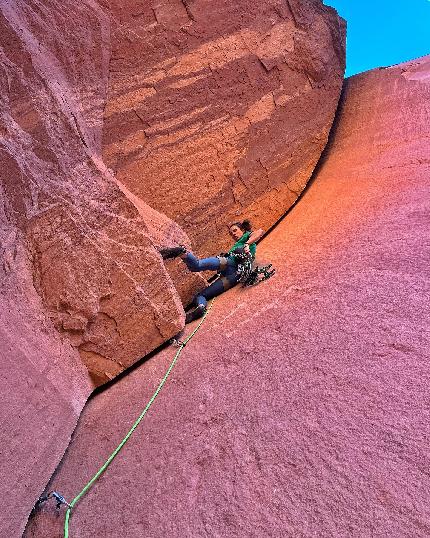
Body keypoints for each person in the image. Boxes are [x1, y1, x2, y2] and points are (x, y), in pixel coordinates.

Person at [160, 220, 264, 323]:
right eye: (231, 233)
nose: (233, 234)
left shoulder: (247, 237)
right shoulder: (237, 244)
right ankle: (200, 307)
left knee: (197, 266)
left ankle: (183, 253)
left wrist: (246, 244)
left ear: (243, 230)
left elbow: (259, 231)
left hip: (230, 264)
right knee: (201, 295)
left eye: (235, 230)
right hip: (233, 276)